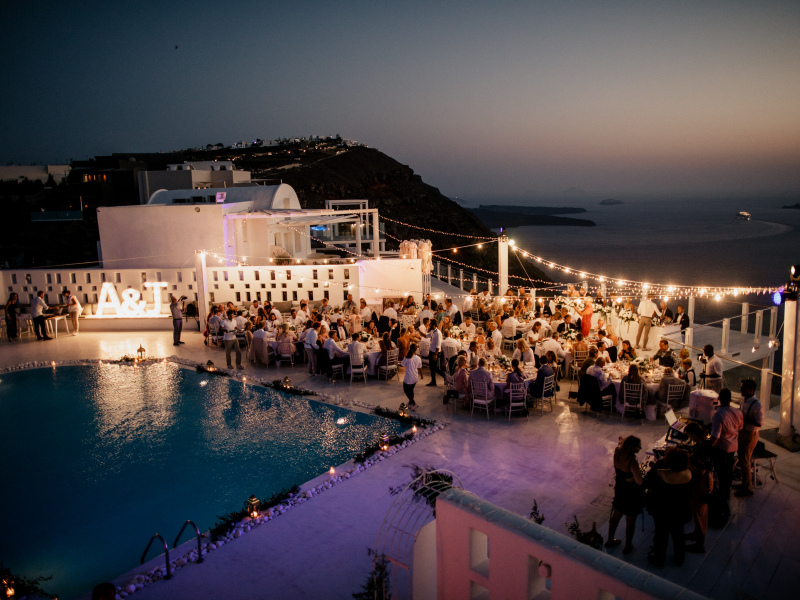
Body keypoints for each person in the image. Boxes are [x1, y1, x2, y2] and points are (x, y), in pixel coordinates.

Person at [646, 448, 693, 568]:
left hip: (663, 511)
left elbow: (648, 481)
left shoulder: (661, 472)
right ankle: (679, 558)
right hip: (681, 510)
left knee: (661, 535)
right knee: (679, 535)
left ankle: (659, 558)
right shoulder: (688, 474)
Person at [605, 435, 644, 554]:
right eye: (638, 446)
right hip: (631, 493)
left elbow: (620, 443)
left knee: (616, 515)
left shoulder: (617, 452)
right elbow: (639, 481)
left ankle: (610, 540)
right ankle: (628, 546)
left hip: (620, 488)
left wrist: (621, 440)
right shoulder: (632, 461)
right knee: (630, 520)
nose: (640, 448)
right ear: (632, 447)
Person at [710, 388, 743, 521]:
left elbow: (715, 435)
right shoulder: (738, 412)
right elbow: (740, 427)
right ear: (730, 399)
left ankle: (722, 498)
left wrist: (708, 446)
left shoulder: (718, 414)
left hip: (722, 447)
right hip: (733, 446)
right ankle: (726, 492)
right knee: (728, 470)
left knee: (720, 472)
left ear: (719, 399)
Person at [684, 422, 714, 553]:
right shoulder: (703, 444)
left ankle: (700, 544)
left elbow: (701, 470)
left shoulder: (704, 449)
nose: (689, 438)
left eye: (690, 436)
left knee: (700, 511)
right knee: (696, 509)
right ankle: (696, 533)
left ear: (695, 434)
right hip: (699, 481)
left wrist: (686, 464)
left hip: (702, 482)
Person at [734, 379, 763, 498]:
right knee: (742, 460)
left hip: (750, 434)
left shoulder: (757, 404)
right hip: (743, 432)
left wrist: (744, 419)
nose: (741, 389)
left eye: (743, 387)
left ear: (751, 390)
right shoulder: (744, 401)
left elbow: (759, 423)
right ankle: (745, 484)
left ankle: (748, 489)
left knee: (745, 461)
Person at [401, 344, 422, 410]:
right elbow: (420, 368)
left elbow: (402, 365)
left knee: (406, 390)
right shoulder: (418, 358)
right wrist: (421, 375)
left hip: (408, 378)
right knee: (411, 390)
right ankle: (410, 403)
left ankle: (414, 403)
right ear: (416, 350)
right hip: (415, 378)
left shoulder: (407, 357)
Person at [425, 319, 444, 387]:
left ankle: (444, 376)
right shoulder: (433, 331)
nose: (429, 325)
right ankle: (433, 381)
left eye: (430, 324)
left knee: (434, 368)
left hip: (435, 352)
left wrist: (435, 354)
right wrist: (419, 332)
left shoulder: (438, 333)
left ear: (433, 325)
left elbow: (438, 345)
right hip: (431, 351)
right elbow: (426, 336)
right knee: (431, 367)